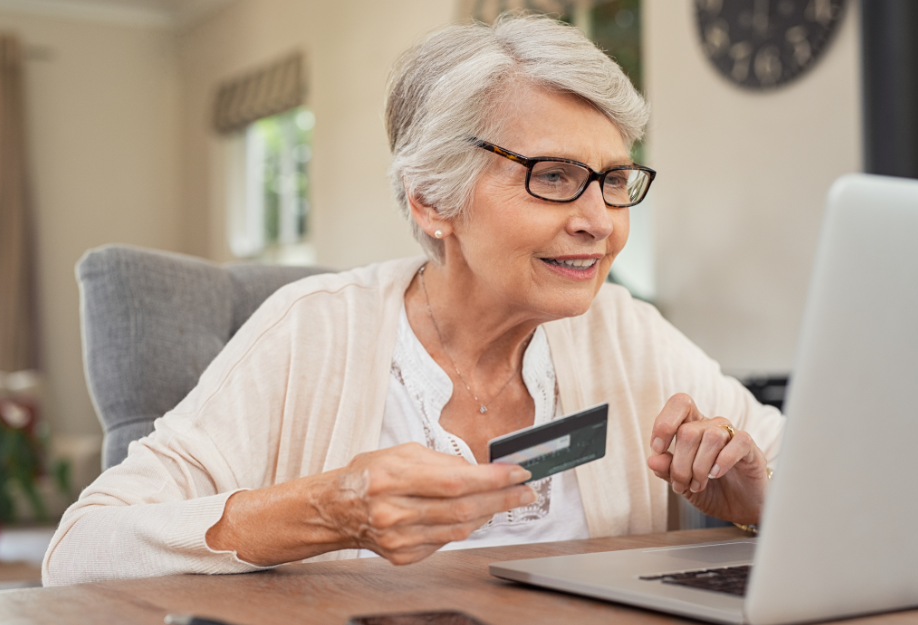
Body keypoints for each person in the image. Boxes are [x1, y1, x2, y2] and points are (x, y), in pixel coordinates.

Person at [43, 14, 784, 586]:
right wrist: (330, 508)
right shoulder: (314, 330)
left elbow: (833, 492)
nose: (600, 218)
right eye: (554, 176)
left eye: (614, 179)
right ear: (432, 200)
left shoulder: (625, 332)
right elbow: (79, 552)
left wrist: (757, 497)